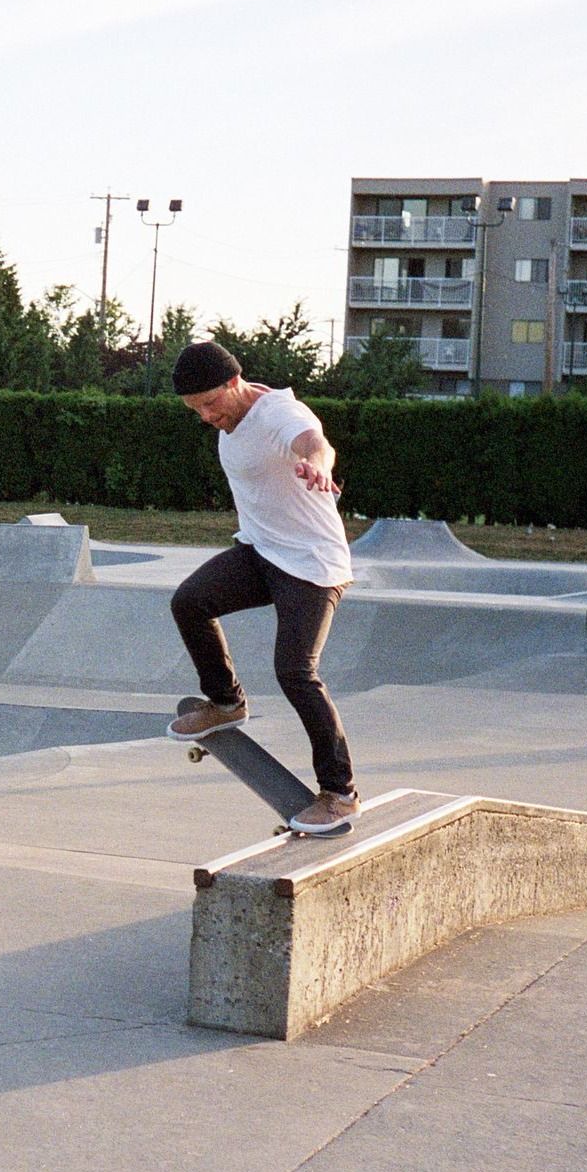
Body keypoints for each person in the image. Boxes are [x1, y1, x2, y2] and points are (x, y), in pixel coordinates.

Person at [165, 341, 358, 835]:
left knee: (295, 672)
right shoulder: (228, 423)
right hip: (262, 553)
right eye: (196, 410)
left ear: (236, 382)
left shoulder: (278, 413)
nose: (207, 417)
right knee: (189, 602)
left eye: (211, 403)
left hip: (312, 565)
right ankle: (226, 703)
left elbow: (313, 441)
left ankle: (339, 793)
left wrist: (319, 465)